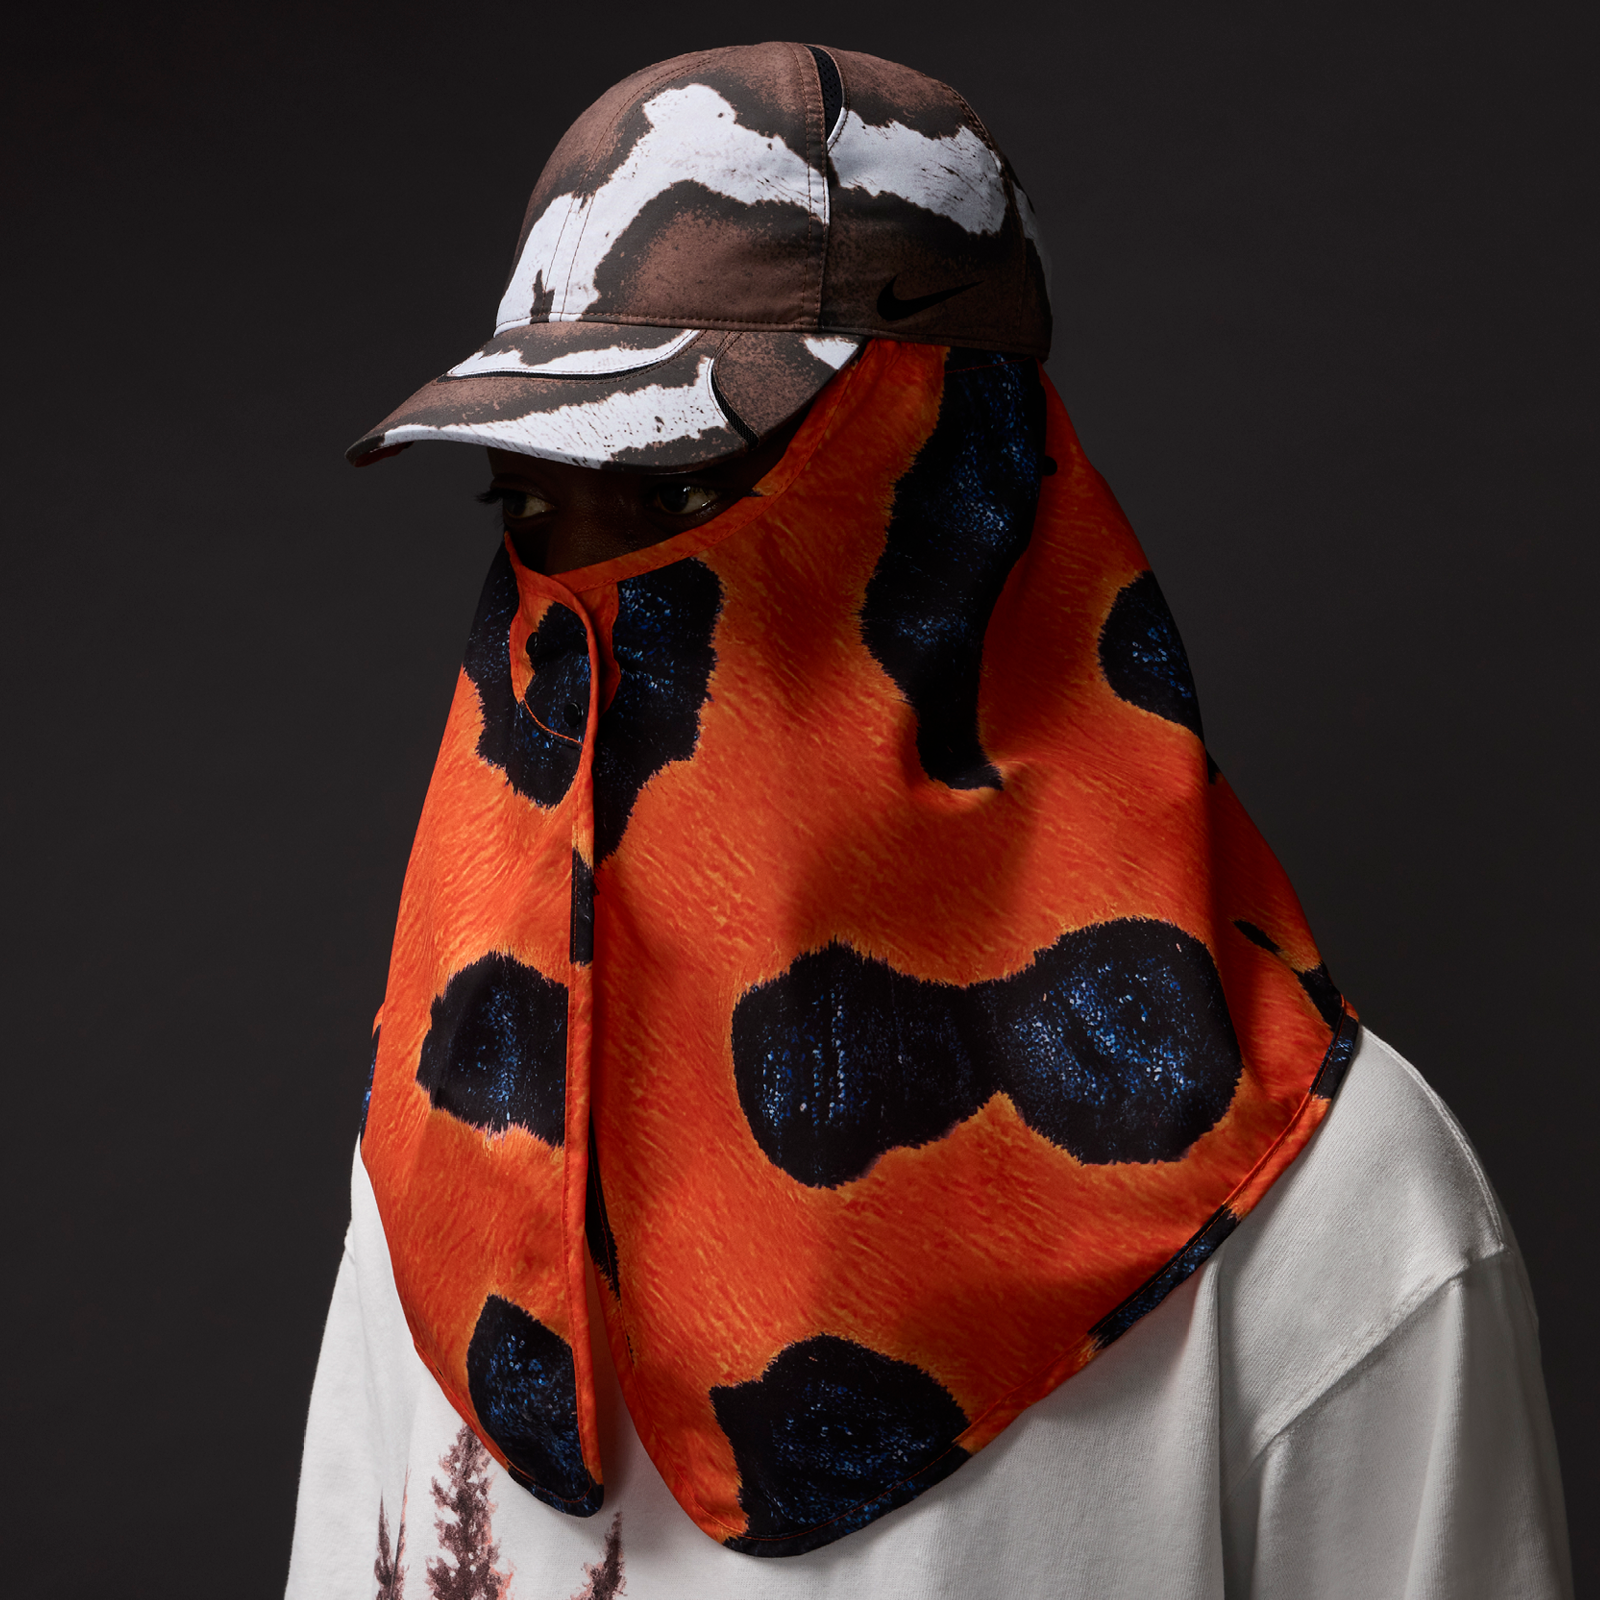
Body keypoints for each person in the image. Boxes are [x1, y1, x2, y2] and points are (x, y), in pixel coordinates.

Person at [284, 42, 1572, 1599]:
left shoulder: (1336, 1217)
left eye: (687, 495)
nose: (595, 594)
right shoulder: (456, 1156)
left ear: (965, 503)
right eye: (533, 503)